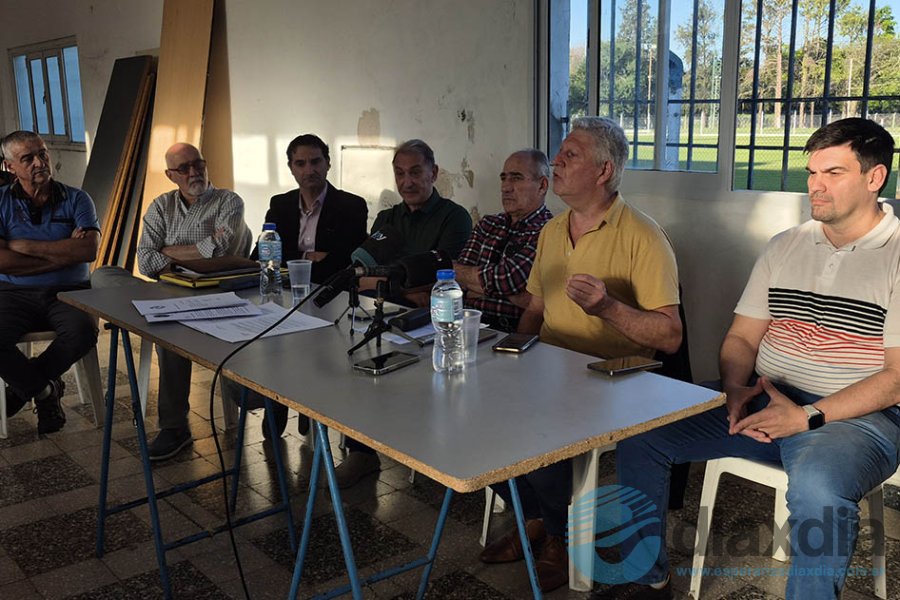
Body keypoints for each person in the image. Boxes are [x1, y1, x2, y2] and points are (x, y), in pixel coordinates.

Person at [598, 117, 900, 600]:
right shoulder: (787, 245)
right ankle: (648, 578)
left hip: (854, 416)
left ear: (874, 177)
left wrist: (806, 416)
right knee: (642, 435)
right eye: (812, 173)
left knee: (819, 493)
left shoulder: (896, 255)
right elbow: (741, 338)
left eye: (833, 173)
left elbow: (895, 381)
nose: (816, 187)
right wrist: (734, 387)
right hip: (763, 398)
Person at [480, 117, 683, 593]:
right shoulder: (552, 231)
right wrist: (514, 354)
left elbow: (669, 336)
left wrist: (608, 306)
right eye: (559, 154)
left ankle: (557, 536)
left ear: (604, 171)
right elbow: (535, 307)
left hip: (612, 377)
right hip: (550, 364)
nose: (557, 162)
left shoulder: (644, 237)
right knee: (470, 410)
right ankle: (533, 518)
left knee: (544, 433)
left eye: (570, 155)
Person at [92, 142, 252, 460]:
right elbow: (144, 260)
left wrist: (167, 253)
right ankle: (150, 313)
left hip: (213, 292)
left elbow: (221, 253)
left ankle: (174, 426)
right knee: (103, 274)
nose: (194, 172)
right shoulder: (161, 206)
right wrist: (188, 256)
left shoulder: (228, 201)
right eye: (184, 168)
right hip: (167, 289)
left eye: (198, 164)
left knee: (169, 329)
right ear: (170, 175)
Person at [245, 134, 368, 438]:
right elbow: (261, 255)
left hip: (330, 299)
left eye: (315, 161)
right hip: (284, 295)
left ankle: (310, 406)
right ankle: (278, 405)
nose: (309, 169)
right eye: (300, 163)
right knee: (275, 345)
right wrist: (306, 257)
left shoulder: (351, 205)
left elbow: (344, 264)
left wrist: (294, 259)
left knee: (315, 349)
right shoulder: (281, 204)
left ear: (328, 164)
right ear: (291, 168)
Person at [0, 131, 100, 434]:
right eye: (27, 158)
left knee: (83, 331)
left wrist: (25, 247)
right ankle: (45, 391)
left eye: (42, 154)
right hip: (12, 293)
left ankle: (23, 388)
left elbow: (88, 250)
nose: (39, 163)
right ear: (9, 167)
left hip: (68, 292)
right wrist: (62, 254)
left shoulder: (77, 198)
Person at [453, 149, 552, 332]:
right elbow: (457, 280)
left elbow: (508, 278)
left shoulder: (550, 230)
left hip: (511, 330)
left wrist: (475, 283)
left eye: (516, 178)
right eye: (504, 178)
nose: (505, 187)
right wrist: (516, 296)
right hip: (467, 325)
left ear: (542, 185)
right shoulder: (488, 224)